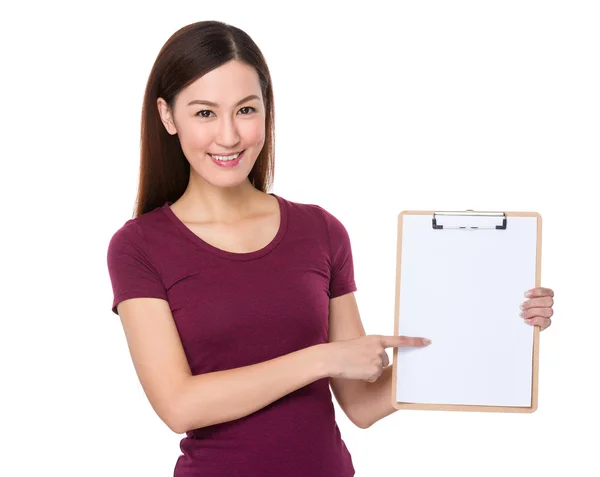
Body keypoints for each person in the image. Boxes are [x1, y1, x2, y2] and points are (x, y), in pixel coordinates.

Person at [106, 20, 555, 477]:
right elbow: (179, 406)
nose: (229, 136)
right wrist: (320, 358)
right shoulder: (139, 247)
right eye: (205, 113)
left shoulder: (319, 231)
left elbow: (362, 404)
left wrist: (498, 325)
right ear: (167, 116)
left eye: (246, 110)